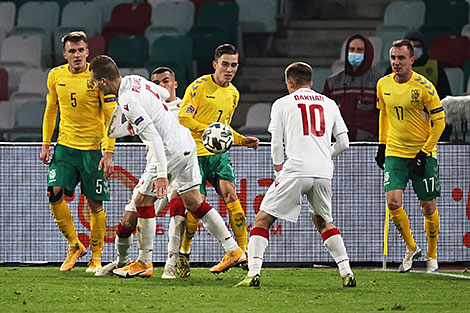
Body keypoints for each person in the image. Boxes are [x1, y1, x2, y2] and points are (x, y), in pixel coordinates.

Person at [89, 55, 247, 278]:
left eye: (95, 83)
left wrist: (162, 175)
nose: (95, 86)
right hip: (187, 144)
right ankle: (233, 249)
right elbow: (163, 95)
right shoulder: (136, 80)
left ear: (103, 81)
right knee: (194, 201)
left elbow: (153, 138)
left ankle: (144, 262)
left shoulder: (128, 101)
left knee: (143, 201)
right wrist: (148, 114)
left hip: (168, 150)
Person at [236, 62, 356, 288]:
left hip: (295, 170)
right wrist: (322, 155)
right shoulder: (329, 104)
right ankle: (346, 271)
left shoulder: (282, 103)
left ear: (289, 82)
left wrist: (278, 170)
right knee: (323, 222)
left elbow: (276, 143)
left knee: (263, 219)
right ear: (311, 82)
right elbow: (344, 143)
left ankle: (253, 273)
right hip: (322, 172)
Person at [95, 66, 187, 279]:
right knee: (127, 222)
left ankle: (168, 266)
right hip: (153, 168)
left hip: (175, 168)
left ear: (175, 85)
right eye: (156, 82)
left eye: (165, 81)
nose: (160, 86)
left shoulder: (185, 109)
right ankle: (122, 261)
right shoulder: (148, 105)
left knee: (177, 212)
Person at [177, 44, 259, 277]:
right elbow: (183, 118)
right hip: (195, 154)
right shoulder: (199, 87)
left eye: (234, 65)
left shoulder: (233, 93)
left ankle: (242, 253)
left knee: (231, 195)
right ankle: (184, 253)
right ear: (215, 64)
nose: (229, 69)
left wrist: (242, 140)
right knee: (197, 205)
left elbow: (225, 130)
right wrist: (209, 130)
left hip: (219, 154)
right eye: (225, 64)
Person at [39, 31, 116, 273]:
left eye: (80, 50)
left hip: (93, 150)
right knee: (54, 192)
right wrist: (45, 143)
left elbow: (109, 117)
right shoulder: (55, 76)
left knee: (94, 204)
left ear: (87, 52)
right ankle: (74, 245)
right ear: (65, 54)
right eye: (72, 51)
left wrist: (109, 152)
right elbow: (51, 110)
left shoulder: (97, 78)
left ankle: (95, 258)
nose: (77, 55)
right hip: (65, 147)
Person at [375, 40, 446, 273]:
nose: (396, 62)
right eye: (393, 57)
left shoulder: (424, 87)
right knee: (393, 202)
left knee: (427, 207)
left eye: (401, 58)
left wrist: (425, 152)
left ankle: (432, 255)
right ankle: (411, 247)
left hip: (422, 153)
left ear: (411, 60)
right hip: (396, 152)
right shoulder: (382, 84)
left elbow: (440, 122)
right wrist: (382, 145)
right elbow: (384, 115)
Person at [384, 30, 452, 140]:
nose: (414, 50)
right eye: (411, 46)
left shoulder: (435, 67)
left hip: (429, 129)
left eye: (417, 46)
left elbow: (444, 99)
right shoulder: (392, 69)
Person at [323, 33, 382, 141]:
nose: (355, 53)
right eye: (352, 49)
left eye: (359, 50)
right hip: (337, 142)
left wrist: (363, 134)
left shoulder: (380, 82)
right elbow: (325, 112)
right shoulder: (332, 82)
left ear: (368, 53)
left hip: (367, 143)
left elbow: (382, 113)